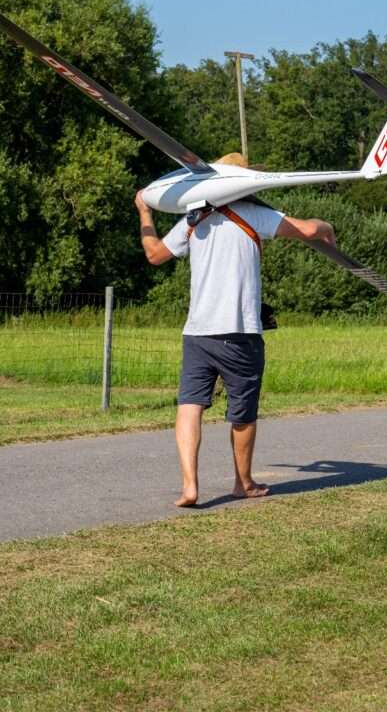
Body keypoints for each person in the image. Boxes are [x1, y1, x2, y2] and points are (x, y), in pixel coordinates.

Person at [135, 160, 336, 508]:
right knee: (242, 412)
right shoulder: (255, 216)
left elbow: (153, 255)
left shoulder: (192, 221)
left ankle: (189, 487)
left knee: (189, 406)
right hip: (240, 333)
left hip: (197, 333)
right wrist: (327, 225)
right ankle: (243, 483)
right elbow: (306, 230)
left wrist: (144, 212)